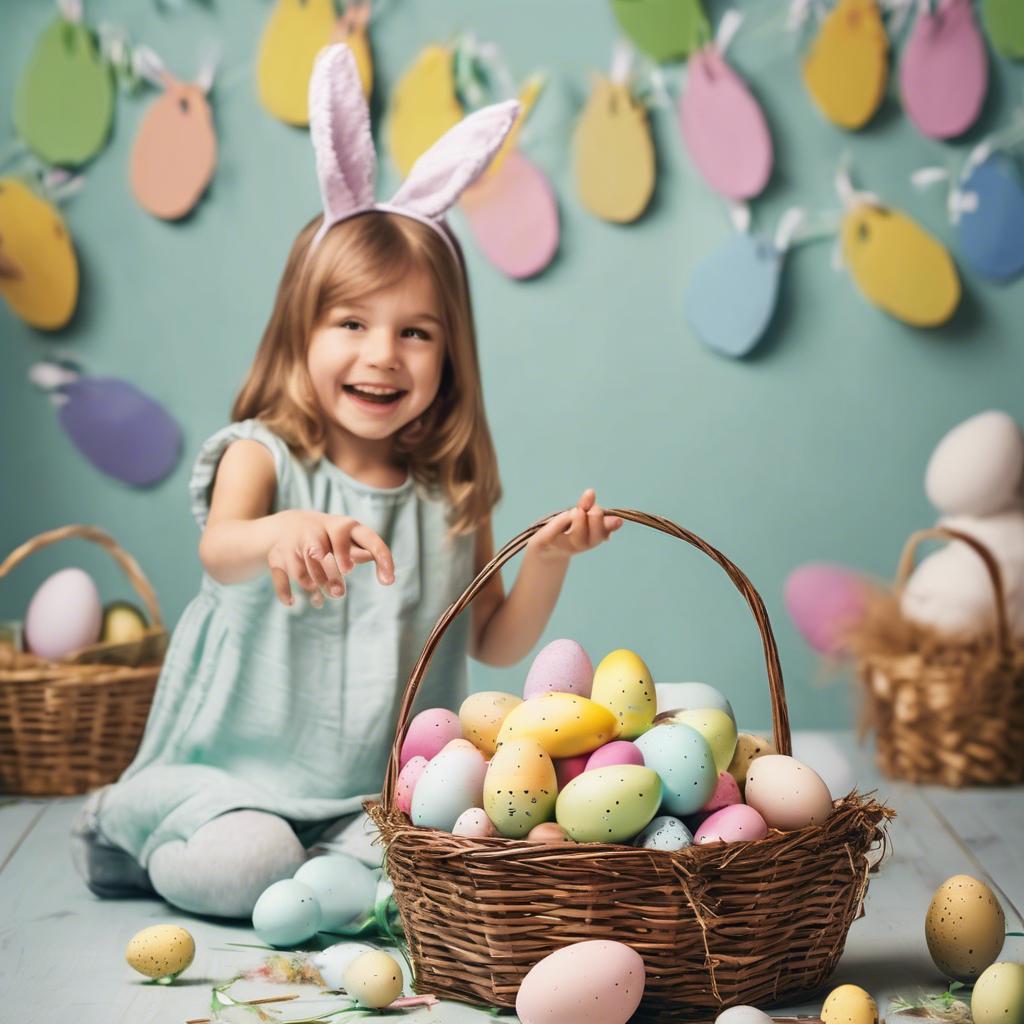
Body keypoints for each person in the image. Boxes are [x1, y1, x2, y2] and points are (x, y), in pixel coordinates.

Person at [71, 45, 621, 918]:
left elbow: (494, 637)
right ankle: (131, 835)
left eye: (416, 333)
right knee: (250, 861)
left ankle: (321, 890)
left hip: (373, 794)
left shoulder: (448, 489)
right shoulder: (266, 455)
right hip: (237, 777)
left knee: (426, 878)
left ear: (452, 352)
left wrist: (552, 561)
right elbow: (220, 552)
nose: (380, 354)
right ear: (301, 331)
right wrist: (277, 533)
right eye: (352, 321)